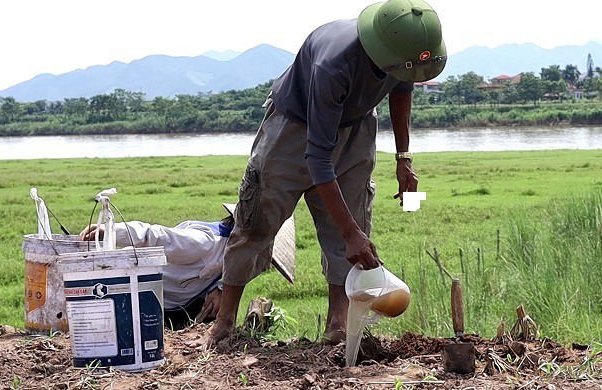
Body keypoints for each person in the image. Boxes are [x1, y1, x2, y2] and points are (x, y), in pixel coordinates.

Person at [200, 0, 446, 348]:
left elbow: (402, 89)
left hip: (356, 124)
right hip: (294, 127)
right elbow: (318, 159)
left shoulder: (400, 54)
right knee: (257, 222)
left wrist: (403, 157)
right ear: (380, 50)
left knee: (352, 223)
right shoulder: (334, 64)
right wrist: (350, 234)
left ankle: (338, 326)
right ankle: (224, 323)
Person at [79, 203, 295, 330]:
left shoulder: (239, 257)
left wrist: (219, 289)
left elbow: (230, 276)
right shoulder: (204, 242)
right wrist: (112, 231)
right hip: (136, 299)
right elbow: (157, 235)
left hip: (175, 307)